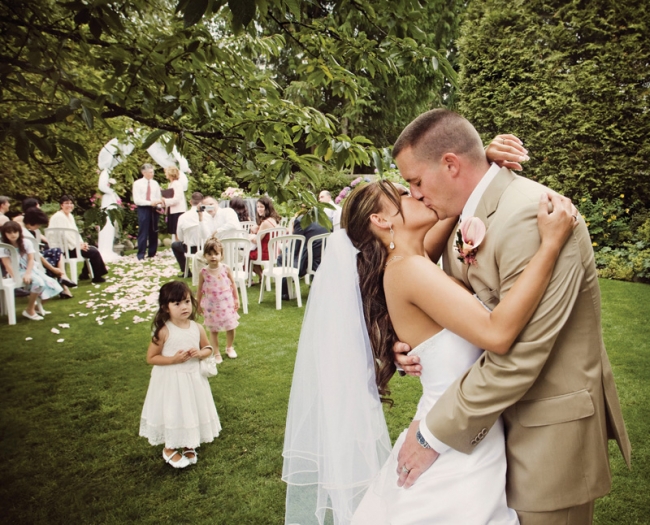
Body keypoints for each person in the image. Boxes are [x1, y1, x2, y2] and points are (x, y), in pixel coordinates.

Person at [282, 180, 577, 524]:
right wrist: (550, 246)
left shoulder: (413, 258)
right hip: (453, 442)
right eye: (404, 195)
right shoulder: (408, 269)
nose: (418, 194)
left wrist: (482, 164)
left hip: (459, 426)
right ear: (381, 220)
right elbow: (497, 334)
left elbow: (447, 209)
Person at [391, 110, 630, 524]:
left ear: (450, 165)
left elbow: (519, 355)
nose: (412, 194)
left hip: (547, 444)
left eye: (415, 182)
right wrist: (418, 346)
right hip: (490, 443)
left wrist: (432, 435)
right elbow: (452, 303)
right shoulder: (461, 216)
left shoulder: (531, 216)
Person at [139, 280, 221, 469]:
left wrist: (201, 353)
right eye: (176, 303)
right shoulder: (164, 331)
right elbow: (151, 357)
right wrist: (172, 360)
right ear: (165, 308)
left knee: (190, 409)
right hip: (171, 380)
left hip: (192, 379)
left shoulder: (196, 327)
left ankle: (187, 442)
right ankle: (169, 447)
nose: (184, 307)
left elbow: (208, 347)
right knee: (174, 411)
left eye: (186, 301)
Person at [1, 221, 62, 321]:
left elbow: (30, 259)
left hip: (30, 269)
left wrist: (28, 273)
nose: (12, 235)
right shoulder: (3, 247)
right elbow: (7, 264)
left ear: (19, 232)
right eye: (9, 232)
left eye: (15, 232)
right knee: (39, 283)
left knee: (53, 286)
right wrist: (15, 276)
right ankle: (29, 310)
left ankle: (36, 308)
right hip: (16, 271)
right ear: (5, 234)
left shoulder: (26, 243)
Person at [196, 238, 240, 363]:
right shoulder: (203, 272)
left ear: (221, 255)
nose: (213, 257)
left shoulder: (226, 269)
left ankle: (229, 347)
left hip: (226, 304)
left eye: (216, 254)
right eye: (209, 254)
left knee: (230, 327)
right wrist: (198, 304)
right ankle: (216, 352)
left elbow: (233, 284)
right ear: (205, 256)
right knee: (213, 330)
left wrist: (236, 299)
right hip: (212, 306)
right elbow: (199, 289)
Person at [47, 195, 109, 283]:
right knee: (93, 252)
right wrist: (77, 246)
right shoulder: (59, 217)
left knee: (91, 249)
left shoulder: (69, 216)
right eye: (66, 203)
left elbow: (75, 233)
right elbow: (65, 236)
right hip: (63, 249)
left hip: (71, 246)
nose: (69, 205)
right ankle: (97, 277)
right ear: (61, 205)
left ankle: (84, 274)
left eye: (71, 203)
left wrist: (82, 244)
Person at [23, 207, 76, 299]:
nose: (39, 226)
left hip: (36, 258)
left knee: (57, 251)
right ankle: (63, 282)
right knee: (56, 258)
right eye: (39, 224)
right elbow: (36, 256)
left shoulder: (28, 230)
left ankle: (63, 278)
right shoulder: (26, 236)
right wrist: (53, 269)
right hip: (32, 263)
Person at [171, 192, 209, 276]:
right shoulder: (208, 215)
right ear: (202, 202)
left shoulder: (183, 217)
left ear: (190, 202)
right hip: (207, 248)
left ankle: (186, 270)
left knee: (175, 245)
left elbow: (180, 237)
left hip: (190, 248)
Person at [132, 163, 164, 260]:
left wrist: (159, 207)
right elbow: (137, 200)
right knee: (143, 230)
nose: (152, 174)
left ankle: (152, 253)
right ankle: (141, 254)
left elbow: (158, 197)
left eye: (152, 172)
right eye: (150, 172)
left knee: (154, 230)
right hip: (144, 208)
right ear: (143, 172)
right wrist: (150, 203)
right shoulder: (137, 184)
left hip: (154, 208)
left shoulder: (155, 183)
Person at [249, 196, 282, 281]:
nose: (259, 209)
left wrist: (250, 237)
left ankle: (258, 277)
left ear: (267, 208)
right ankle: (261, 276)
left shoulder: (265, 223)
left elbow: (257, 241)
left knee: (247, 254)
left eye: (262, 207)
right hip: (274, 251)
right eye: (258, 207)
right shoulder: (272, 220)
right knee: (250, 253)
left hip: (266, 253)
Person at [163, 165, 187, 237]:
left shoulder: (177, 184)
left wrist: (165, 200)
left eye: (166, 172)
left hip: (178, 211)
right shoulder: (171, 184)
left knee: (178, 232)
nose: (165, 174)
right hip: (172, 210)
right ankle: (176, 247)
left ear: (170, 173)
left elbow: (177, 199)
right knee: (175, 232)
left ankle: (179, 247)